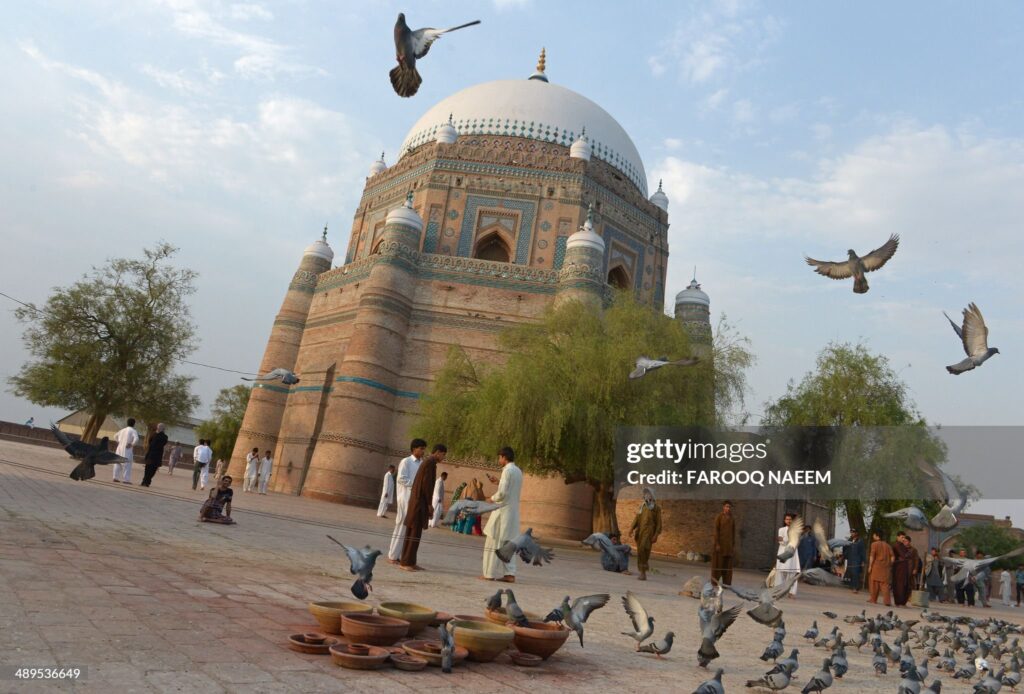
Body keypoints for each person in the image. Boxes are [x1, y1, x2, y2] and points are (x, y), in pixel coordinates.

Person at [399, 445, 446, 571]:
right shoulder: (430, 463)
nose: (443, 457)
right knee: (413, 532)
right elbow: (427, 485)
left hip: (418, 502)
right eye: (443, 454)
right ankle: (406, 563)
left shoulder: (427, 462)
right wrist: (429, 504)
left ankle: (409, 561)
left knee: (414, 532)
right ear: (438, 452)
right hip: (419, 503)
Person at [481, 447, 523, 582]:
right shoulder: (518, 471)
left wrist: (491, 498)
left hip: (502, 513)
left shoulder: (507, 471)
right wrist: (498, 482)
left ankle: (488, 574)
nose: (499, 460)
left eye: (499, 457)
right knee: (507, 545)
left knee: (493, 542)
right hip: (512, 514)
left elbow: (503, 493)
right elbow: (510, 489)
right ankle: (510, 574)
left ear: (504, 457)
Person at [388, 439, 427, 563]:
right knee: (401, 525)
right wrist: (416, 486)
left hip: (415, 500)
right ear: (413, 449)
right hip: (405, 498)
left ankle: (402, 556)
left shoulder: (422, 463)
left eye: (424, 449)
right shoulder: (406, 461)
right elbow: (401, 479)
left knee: (409, 528)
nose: (422, 451)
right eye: (421, 448)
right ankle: (392, 556)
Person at [631, 487, 662, 582]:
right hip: (640, 532)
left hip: (649, 533)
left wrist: (656, 534)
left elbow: (659, 523)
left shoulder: (656, 508)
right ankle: (642, 569)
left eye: (649, 494)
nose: (647, 495)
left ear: (652, 496)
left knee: (645, 549)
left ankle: (643, 571)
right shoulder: (642, 506)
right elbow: (637, 518)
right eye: (646, 494)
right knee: (640, 551)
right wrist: (631, 528)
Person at [774, 513, 801, 598]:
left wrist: (786, 540)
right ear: (784, 520)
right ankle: (778, 591)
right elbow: (781, 542)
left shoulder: (797, 530)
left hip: (792, 553)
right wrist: (788, 540)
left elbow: (796, 542)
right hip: (783, 551)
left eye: (790, 519)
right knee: (780, 573)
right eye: (787, 519)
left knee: (792, 573)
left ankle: (792, 592)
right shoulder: (781, 529)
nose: (788, 521)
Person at [711, 500, 736, 586]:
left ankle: (726, 583)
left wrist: (733, 545)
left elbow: (733, 533)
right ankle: (714, 582)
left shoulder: (732, 518)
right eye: (726, 506)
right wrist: (717, 544)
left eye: (729, 507)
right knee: (718, 564)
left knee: (727, 565)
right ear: (723, 507)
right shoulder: (719, 517)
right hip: (720, 545)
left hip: (728, 546)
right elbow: (716, 531)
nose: (728, 508)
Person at [867, 529, 894, 606]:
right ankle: (887, 601)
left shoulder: (874, 544)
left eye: (874, 535)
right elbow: (893, 557)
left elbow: (872, 556)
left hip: (876, 566)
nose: (873, 536)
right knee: (885, 585)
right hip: (886, 568)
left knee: (874, 583)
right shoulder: (888, 545)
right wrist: (890, 564)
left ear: (876, 535)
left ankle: (873, 599)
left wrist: (870, 566)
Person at [112, 418, 140, 484]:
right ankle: (126, 480)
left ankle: (115, 477)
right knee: (127, 464)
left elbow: (115, 436)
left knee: (117, 463)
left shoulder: (122, 430)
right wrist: (132, 444)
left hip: (119, 449)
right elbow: (136, 439)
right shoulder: (133, 430)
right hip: (127, 449)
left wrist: (119, 442)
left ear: (127, 423)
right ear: (134, 424)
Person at [141, 423, 169, 487]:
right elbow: (150, 442)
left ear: (163, 429)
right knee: (147, 468)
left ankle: (147, 481)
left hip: (157, 456)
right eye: (158, 427)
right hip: (150, 454)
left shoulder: (164, 437)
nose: (158, 428)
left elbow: (163, 444)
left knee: (153, 469)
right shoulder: (153, 434)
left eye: (160, 427)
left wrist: (158, 434)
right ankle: (144, 481)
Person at [891, 532, 913, 607]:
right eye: (902, 537)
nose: (903, 539)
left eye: (904, 537)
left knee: (905, 585)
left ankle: (903, 602)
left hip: (904, 567)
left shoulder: (902, 545)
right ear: (897, 537)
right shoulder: (896, 545)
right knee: (899, 585)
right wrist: (907, 554)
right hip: (898, 568)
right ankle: (898, 602)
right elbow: (903, 555)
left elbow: (908, 555)